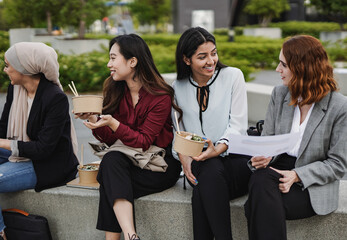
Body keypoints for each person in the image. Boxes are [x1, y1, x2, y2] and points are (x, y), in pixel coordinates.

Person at [75, 34, 182, 240]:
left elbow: (143, 142)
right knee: (112, 164)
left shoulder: (160, 96)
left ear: (132, 61)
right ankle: (132, 236)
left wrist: (113, 123)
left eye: (113, 58)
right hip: (128, 162)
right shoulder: (114, 89)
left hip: (158, 166)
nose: (109, 64)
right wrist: (95, 120)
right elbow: (108, 139)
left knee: (109, 178)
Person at [244, 35, 347, 240]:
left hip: (310, 183)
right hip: (276, 171)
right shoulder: (279, 94)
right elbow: (268, 141)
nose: (277, 69)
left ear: (302, 67)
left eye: (283, 64)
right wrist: (262, 157)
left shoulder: (339, 106)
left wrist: (297, 175)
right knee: (261, 180)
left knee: (256, 201)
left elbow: (338, 164)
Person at [173, 27, 252, 240]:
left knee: (206, 180)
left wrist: (217, 149)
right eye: (202, 56)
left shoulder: (233, 76)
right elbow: (178, 133)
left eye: (214, 53)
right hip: (199, 163)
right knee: (207, 172)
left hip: (234, 159)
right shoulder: (177, 87)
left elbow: (238, 125)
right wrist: (183, 158)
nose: (211, 60)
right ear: (186, 59)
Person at [0, 42, 79, 240]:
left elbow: (43, 149)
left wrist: (1, 144)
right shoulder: (15, 90)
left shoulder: (55, 98)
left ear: (24, 68)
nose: (5, 69)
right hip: (21, 154)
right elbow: (3, 128)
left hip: (47, 164)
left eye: (8, 65)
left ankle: (1, 233)